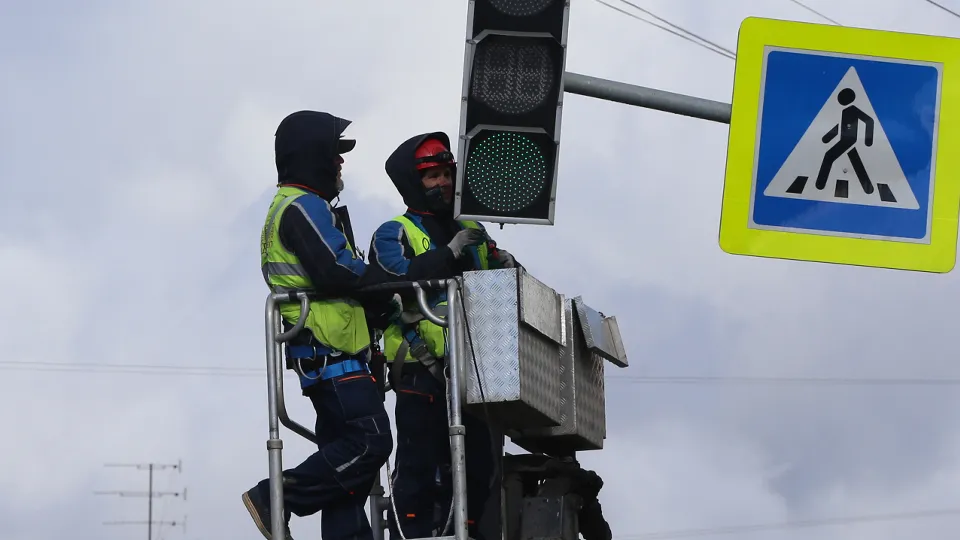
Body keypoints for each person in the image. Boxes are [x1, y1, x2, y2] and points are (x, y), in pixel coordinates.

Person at [243, 110, 399, 540]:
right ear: (312, 156)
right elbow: (335, 270)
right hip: (332, 358)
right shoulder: (302, 206)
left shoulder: (293, 207)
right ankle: (277, 496)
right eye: (335, 154)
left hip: (328, 356)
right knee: (370, 442)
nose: (340, 162)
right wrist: (392, 284)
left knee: (345, 475)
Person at [365, 132, 519, 540]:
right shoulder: (393, 233)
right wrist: (449, 252)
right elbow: (396, 278)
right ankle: (411, 536)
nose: (443, 183)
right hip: (421, 370)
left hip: (475, 371)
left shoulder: (472, 228)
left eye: (447, 174)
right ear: (413, 182)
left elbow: (499, 280)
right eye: (432, 176)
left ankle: (464, 530)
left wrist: (507, 263)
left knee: (480, 465)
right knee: (418, 465)